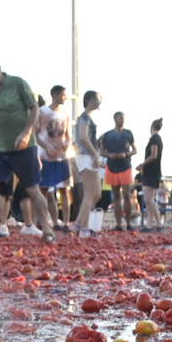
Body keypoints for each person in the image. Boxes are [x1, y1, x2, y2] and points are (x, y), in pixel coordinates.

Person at [0, 60, 54, 242]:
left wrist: (27, 132)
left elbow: (34, 109)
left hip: (24, 147)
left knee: (33, 189)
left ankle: (48, 229)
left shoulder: (17, 84)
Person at [37, 85, 73, 231]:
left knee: (65, 189)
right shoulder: (43, 112)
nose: (65, 98)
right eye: (63, 95)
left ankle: (65, 222)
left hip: (62, 157)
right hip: (46, 156)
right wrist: (47, 147)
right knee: (44, 190)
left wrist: (66, 146)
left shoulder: (65, 114)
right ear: (55, 95)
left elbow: (69, 135)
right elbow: (36, 134)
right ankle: (46, 221)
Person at [100, 112, 137, 232]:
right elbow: (101, 151)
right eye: (120, 118)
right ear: (115, 118)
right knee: (116, 196)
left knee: (126, 195)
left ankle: (129, 223)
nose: (122, 120)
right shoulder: (107, 135)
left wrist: (125, 154)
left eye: (123, 118)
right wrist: (110, 155)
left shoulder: (128, 133)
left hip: (125, 166)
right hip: (112, 167)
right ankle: (118, 224)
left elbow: (135, 150)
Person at [73, 90, 103, 237]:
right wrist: (95, 154)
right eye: (97, 99)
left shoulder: (88, 117)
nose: (99, 102)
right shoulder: (84, 118)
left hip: (89, 156)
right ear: (90, 100)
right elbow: (84, 137)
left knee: (96, 193)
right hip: (86, 156)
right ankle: (84, 228)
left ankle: (79, 223)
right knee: (90, 194)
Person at [137, 118, 164, 232]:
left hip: (151, 172)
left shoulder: (154, 139)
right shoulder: (157, 139)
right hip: (153, 172)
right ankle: (152, 224)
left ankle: (157, 224)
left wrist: (142, 164)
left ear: (152, 127)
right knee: (149, 200)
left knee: (149, 199)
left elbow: (153, 155)